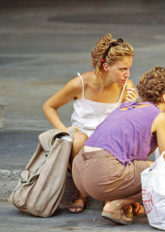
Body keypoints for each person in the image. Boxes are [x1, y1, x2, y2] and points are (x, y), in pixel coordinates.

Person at [71, 66, 165, 225]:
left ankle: (123, 201)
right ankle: (117, 204)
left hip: (80, 173)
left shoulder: (126, 106)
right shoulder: (159, 116)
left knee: (145, 168)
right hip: (102, 174)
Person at [42, 34, 137, 213]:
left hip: (109, 138)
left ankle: (110, 193)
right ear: (106, 66)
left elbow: (127, 124)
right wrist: (64, 131)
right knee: (78, 139)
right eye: (123, 69)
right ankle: (81, 193)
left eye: (129, 68)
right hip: (82, 138)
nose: (128, 74)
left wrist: (130, 106)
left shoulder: (127, 86)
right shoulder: (81, 83)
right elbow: (49, 106)